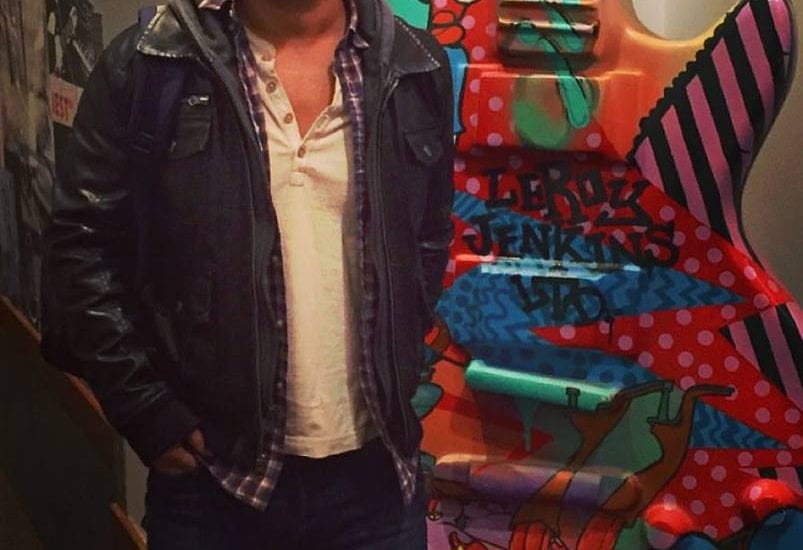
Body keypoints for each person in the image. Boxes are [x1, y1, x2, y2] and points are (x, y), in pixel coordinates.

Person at [40, 0, 454, 548]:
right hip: (215, 483)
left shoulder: (415, 62)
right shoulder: (152, 61)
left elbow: (427, 237)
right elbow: (81, 248)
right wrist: (144, 408)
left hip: (376, 483)